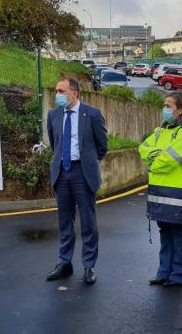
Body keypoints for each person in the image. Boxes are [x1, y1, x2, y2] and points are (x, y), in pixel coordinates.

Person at [45, 77, 108, 284]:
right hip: (62, 173)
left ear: (75, 93)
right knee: (65, 221)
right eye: (56, 91)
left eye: (62, 91)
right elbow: (55, 145)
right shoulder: (53, 115)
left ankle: (89, 266)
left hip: (83, 173)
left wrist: (87, 163)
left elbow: (102, 147)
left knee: (88, 222)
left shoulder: (92, 114)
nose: (58, 95)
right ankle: (64, 263)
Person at [138, 92, 182, 287]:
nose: (164, 109)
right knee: (164, 230)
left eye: (169, 105)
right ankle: (164, 272)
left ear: (180, 109)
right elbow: (143, 148)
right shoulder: (160, 131)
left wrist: (153, 161)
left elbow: (168, 160)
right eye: (164, 105)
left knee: (177, 231)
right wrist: (156, 154)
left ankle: (179, 275)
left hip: (177, 191)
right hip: (159, 189)